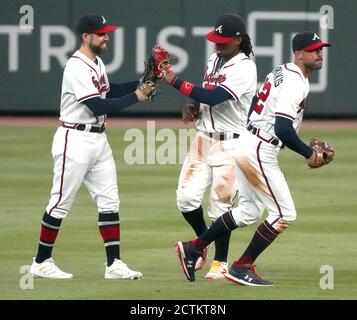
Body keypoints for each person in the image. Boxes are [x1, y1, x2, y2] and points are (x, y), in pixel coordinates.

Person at [175, 31, 331, 285]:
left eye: (321, 49)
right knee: (284, 214)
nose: (319, 53)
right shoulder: (295, 82)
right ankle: (241, 266)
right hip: (260, 149)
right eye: (314, 50)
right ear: (299, 53)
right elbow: (282, 128)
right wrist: (309, 153)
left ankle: (194, 248)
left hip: (249, 141)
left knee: (248, 211)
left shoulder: (281, 71)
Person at [29, 14, 157, 279]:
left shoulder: (96, 62)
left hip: (98, 139)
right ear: (85, 37)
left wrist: (142, 81)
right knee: (60, 203)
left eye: (107, 33)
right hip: (73, 139)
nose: (106, 37)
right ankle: (41, 261)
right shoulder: (76, 66)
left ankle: (114, 265)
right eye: (101, 34)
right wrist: (137, 96)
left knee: (110, 201)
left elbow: (107, 93)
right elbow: (96, 105)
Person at [159, 13, 257, 279]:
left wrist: (173, 80)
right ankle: (200, 245)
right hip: (203, 138)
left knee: (220, 207)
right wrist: (193, 109)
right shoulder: (215, 60)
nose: (217, 44)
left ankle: (220, 263)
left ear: (238, 40)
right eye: (216, 39)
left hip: (232, 144)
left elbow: (215, 97)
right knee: (186, 198)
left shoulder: (245, 67)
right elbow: (206, 99)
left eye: (223, 40)